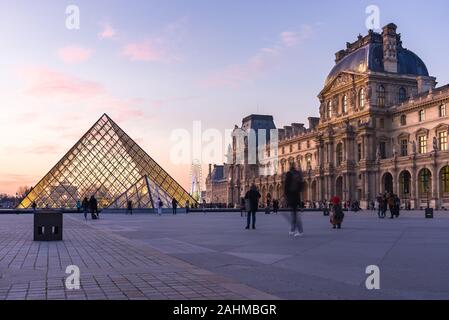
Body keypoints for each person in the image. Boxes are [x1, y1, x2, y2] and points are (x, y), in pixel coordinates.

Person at [284, 165, 304, 237]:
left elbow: (286, 185)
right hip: (297, 195)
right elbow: (301, 186)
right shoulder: (298, 174)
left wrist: (285, 195)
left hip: (291, 195)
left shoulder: (289, 174)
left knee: (293, 213)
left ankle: (298, 230)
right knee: (295, 213)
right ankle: (293, 229)